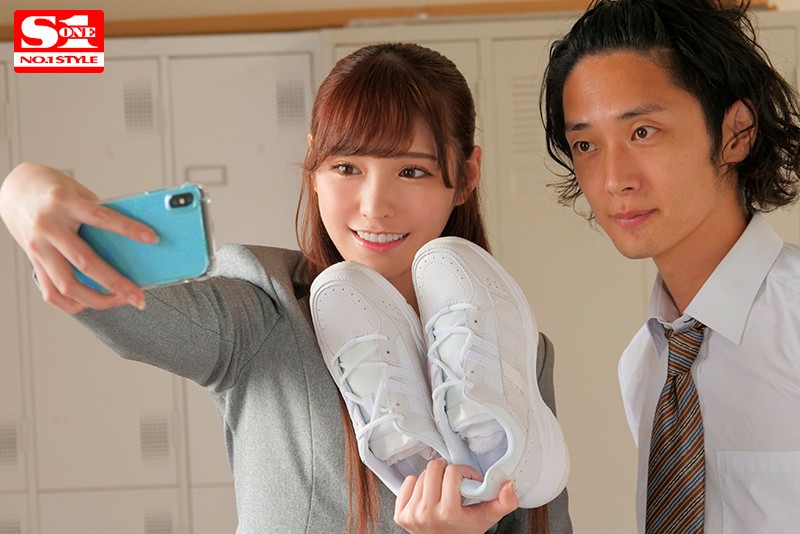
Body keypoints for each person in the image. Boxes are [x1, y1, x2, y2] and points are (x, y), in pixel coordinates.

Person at [0, 43, 571, 533]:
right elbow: (118, 302)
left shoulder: (511, 341)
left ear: (465, 176)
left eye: (412, 171)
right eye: (346, 168)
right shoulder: (264, 310)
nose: (374, 206)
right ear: (313, 167)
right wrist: (22, 191)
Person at [541, 0, 800, 532]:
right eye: (585, 144)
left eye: (643, 132)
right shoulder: (644, 366)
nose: (614, 180)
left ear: (737, 132)